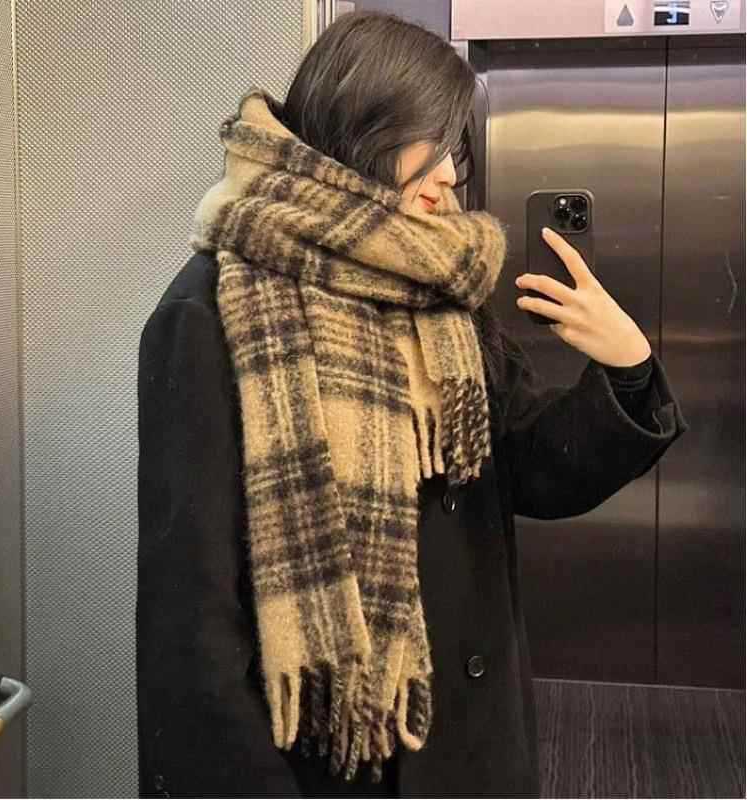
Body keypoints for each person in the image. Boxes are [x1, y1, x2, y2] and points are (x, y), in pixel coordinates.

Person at [136, 10, 689, 798]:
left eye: (454, 147)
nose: (449, 176)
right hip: (329, 760)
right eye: (426, 143)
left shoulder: (442, 289)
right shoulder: (212, 310)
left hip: (468, 744)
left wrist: (627, 370)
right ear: (360, 128)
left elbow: (529, 468)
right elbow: (189, 619)